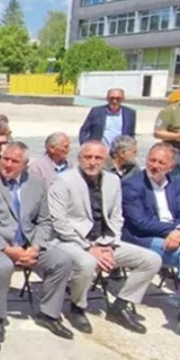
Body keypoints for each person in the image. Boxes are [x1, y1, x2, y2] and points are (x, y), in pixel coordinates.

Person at [47, 141, 162, 334]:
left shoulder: (112, 180)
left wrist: (109, 244)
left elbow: (117, 217)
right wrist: (89, 248)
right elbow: (59, 222)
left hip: (104, 241)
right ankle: (77, 307)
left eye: (98, 158)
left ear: (105, 160)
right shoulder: (63, 181)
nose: (92, 162)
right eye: (88, 157)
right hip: (69, 241)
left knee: (151, 259)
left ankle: (121, 306)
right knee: (87, 263)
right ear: (79, 159)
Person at [0, 142, 75, 341]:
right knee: (3, 267)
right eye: (5, 159)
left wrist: (35, 247)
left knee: (62, 261)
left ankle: (49, 314)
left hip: (27, 242)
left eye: (14, 161)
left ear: (25, 164)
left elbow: (44, 220)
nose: (7, 164)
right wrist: (7, 249)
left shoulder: (36, 183)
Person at [121, 143, 180, 312]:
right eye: (152, 160)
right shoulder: (132, 185)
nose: (154, 166)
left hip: (176, 235)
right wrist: (174, 230)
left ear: (171, 166)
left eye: (161, 163)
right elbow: (140, 222)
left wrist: (179, 231)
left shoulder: (176, 184)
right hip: (141, 238)